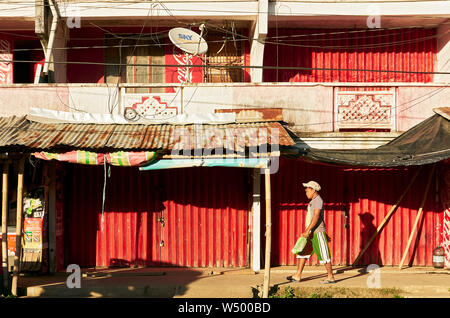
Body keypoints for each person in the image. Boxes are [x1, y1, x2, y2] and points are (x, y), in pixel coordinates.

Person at [287, 181, 336, 284]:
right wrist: (308, 231)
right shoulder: (313, 201)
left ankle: (330, 277)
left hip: (317, 232)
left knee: (324, 254)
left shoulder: (317, 200)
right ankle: (297, 275)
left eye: (307, 191)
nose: (306, 193)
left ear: (313, 190)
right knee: (303, 252)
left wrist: (307, 230)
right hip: (311, 233)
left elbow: (316, 216)